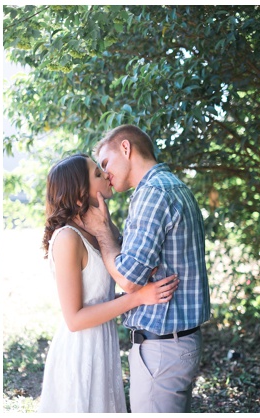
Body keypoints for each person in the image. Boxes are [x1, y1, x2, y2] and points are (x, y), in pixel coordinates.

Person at [82, 125, 211, 413]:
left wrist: (102, 231)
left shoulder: (153, 194)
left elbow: (128, 278)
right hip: (175, 344)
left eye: (105, 163)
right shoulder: (172, 186)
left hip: (163, 349)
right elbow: (135, 259)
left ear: (126, 149)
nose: (105, 175)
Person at [38, 153, 179, 413]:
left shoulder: (98, 231)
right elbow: (75, 318)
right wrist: (138, 298)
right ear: (79, 195)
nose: (106, 174)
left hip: (103, 342)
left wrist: (107, 224)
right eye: (97, 173)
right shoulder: (68, 239)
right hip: (80, 350)